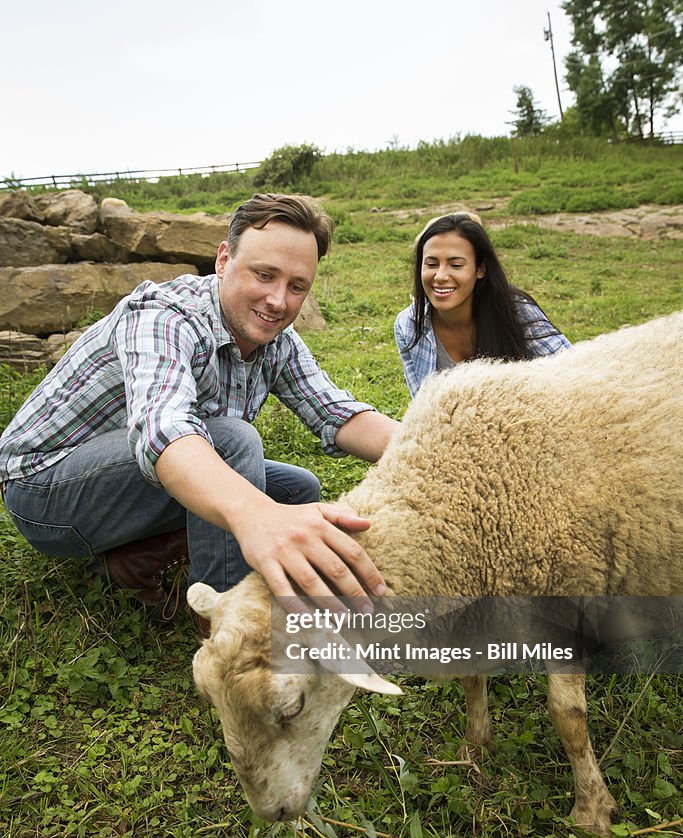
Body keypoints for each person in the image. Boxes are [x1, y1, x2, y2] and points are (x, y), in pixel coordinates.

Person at [0, 193, 400, 614]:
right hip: (42, 491)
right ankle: (223, 620)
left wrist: (439, 449)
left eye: (297, 286)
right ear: (224, 260)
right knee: (232, 441)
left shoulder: (276, 339)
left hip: (126, 480)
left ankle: (138, 558)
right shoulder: (164, 315)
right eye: (264, 275)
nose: (279, 301)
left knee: (297, 489)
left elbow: (335, 412)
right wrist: (254, 515)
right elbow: (165, 428)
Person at [395, 212, 570, 397]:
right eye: (431, 264)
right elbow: (421, 405)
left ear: (480, 269)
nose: (440, 276)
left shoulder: (517, 311)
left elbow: (571, 372)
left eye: (456, 265)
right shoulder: (408, 325)